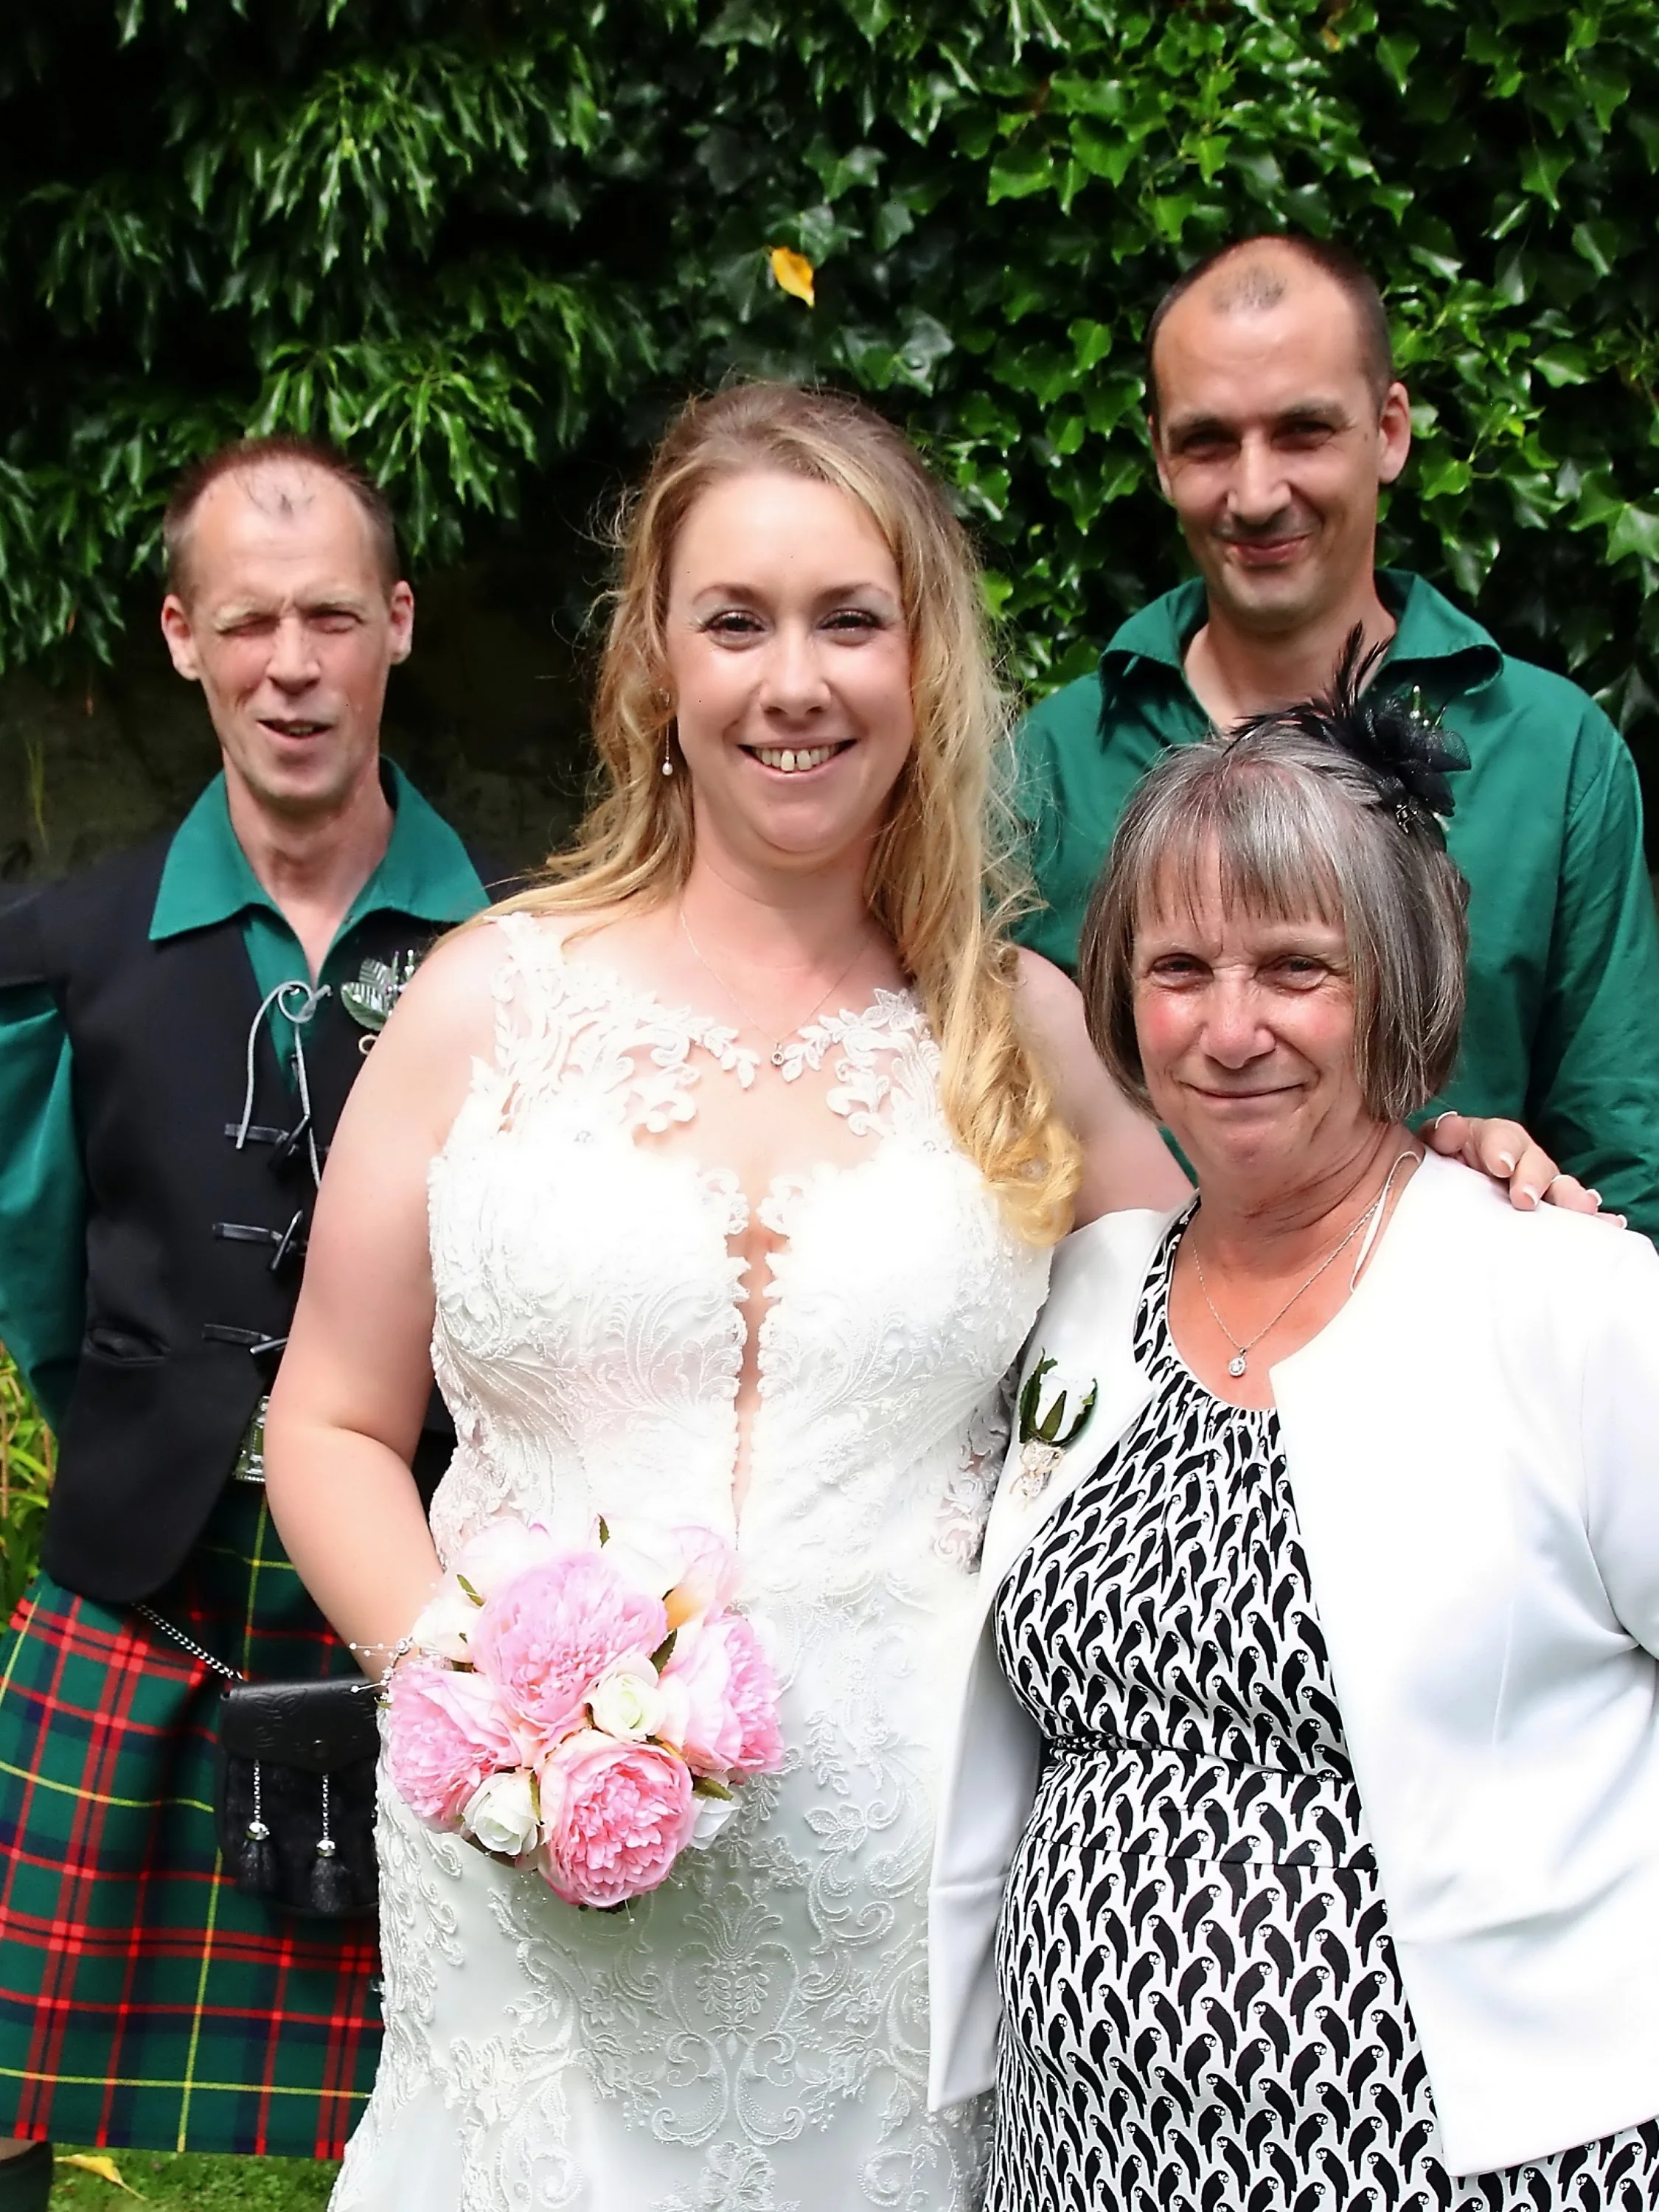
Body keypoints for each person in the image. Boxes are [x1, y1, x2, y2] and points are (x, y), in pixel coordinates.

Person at [262, 383, 1580, 2212]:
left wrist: (1458, 1179)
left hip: (896, 1929)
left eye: (849, 621)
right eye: (737, 620)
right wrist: (478, 1705)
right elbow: (327, 1417)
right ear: (658, 658)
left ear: (925, 659)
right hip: (523, 1928)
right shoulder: (486, 997)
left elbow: (1259, 1272)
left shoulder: (1031, 1042)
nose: (792, 682)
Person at [929, 658, 1659, 2212]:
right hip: (1084, 2160)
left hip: (1469, 2168)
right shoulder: (1085, 1293)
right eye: (1179, 968)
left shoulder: (1565, 1300)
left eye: (1296, 968)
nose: (1231, 1026)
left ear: (1396, 982)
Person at [0, 437, 493, 2203]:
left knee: (477, 2085)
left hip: (422, 1575)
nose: (295, 665)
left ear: (399, 629)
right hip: (153, 1579)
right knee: (8, 2061)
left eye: (335, 619)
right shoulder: (64, 948)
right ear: (181, 637)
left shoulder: (524, 948)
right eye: (253, 621)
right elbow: (38, 1266)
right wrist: (150, 1421)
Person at [1015, 230, 1659, 1236]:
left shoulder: (1552, 752)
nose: (1257, 491)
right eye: (1207, 441)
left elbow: (1621, 1156)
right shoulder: (1047, 763)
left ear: (1388, 430)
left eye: (1303, 431)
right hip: (1126, 1366)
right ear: (1156, 454)